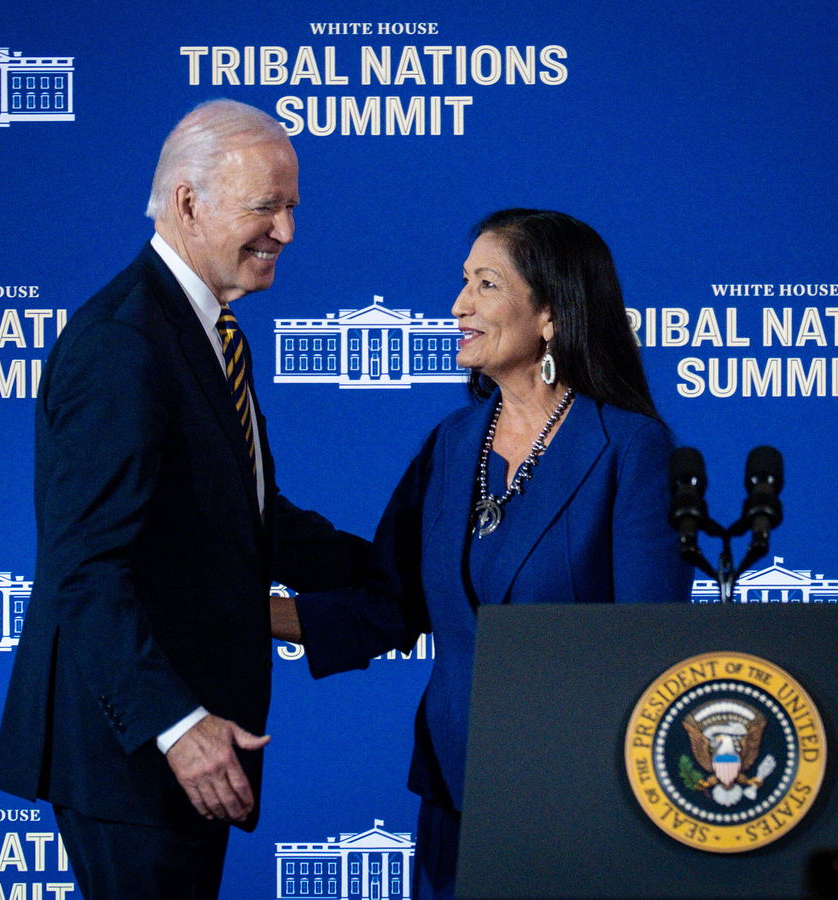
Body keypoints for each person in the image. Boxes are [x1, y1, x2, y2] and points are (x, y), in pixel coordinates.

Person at [0, 99, 367, 899]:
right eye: (266, 207)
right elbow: (84, 567)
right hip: (138, 750)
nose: (287, 232)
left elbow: (246, 513)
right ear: (189, 203)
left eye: (293, 207)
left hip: (192, 737)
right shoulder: (122, 343)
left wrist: (402, 568)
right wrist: (177, 724)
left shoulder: (206, 330)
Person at [272, 208, 693, 900]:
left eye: (487, 285)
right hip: (452, 794)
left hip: (575, 802)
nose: (458, 305)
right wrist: (234, 611)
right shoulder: (450, 443)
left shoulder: (632, 448)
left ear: (553, 314)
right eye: (464, 281)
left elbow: (650, 647)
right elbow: (390, 604)